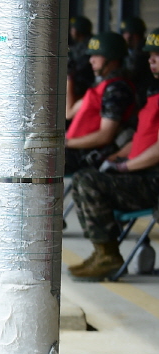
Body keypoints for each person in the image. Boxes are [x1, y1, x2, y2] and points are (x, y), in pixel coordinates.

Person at [69, 27, 159, 281]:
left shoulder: (120, 87)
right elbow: (142, 137)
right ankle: (103, 251)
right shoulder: (154, 91)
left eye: (156, 55)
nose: (150, 59)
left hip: (152, 179)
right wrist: (117, 158)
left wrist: (124, 168)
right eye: (150, 54)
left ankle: (107, 254)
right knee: (86, 178)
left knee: (88, 181)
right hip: (141, 172)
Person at [65, 32, 136, 175]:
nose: (91, 60)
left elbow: (105, 136)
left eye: (97, 55)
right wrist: (69, 77)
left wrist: (64, 143)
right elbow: (69, 112)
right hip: (77, 150)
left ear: (112, 58)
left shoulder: (117, 89)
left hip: (92, 154)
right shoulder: (102, 86)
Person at [122, 16, 151, 105]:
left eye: (125, 33)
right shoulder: (133, 50)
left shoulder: (142, 51)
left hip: (143, 97)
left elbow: (129, 74)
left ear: (132, 35)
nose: (123, 36)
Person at [69, 16, 96, 104]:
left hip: (85, 88)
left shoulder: (89, 44)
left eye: (73, 29)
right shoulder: (79, 44)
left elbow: (79, 68)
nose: (71, 32)